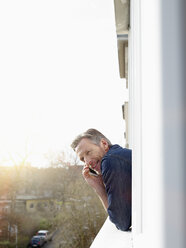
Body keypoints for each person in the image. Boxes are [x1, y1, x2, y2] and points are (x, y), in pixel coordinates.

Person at [71, 128, 132, 231]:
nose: (87, 162)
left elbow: (122, 222)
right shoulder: (118, 156)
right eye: (82, 159)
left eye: (88, 152)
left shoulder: (110, 161)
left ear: (104, 144)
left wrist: (99, 188)